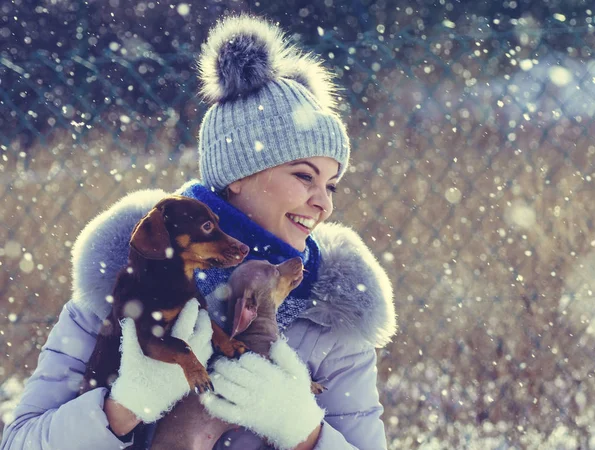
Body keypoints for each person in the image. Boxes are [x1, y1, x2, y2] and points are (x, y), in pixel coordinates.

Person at [1, 14, 396, 450]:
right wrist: (123, 408)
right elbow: (19, 442)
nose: (325, 202)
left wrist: (304, 431)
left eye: (331, 184)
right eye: (304, 176)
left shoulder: (328, 316)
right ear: (237, 175)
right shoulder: (125, 283)